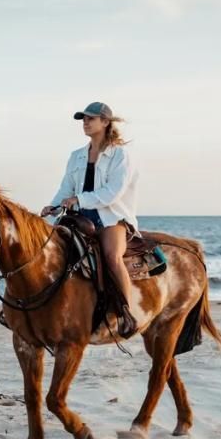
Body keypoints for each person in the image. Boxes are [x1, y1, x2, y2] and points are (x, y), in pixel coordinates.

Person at [42, 101, 139, 337]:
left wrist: (79, 199)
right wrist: (53, 207)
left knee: (112, 256)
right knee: (47, 251)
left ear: (105, 122)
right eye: (83, 119)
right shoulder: (76, 156)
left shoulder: (120, 155)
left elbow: (113, 192)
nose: (85, 122)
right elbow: (66, 188)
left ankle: (126, 312)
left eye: (90, 119)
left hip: (111, 218)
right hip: (79, 217)